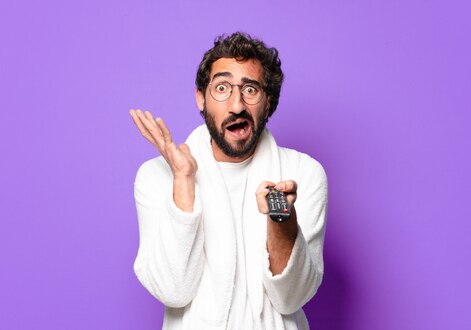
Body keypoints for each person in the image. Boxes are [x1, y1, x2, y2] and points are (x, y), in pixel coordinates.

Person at [129, 32, 328, 330]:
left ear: (268, 103)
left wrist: (281, 220)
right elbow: (172, 289)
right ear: (201, 98)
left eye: (250, 89)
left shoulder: (303, 172)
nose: (236, 105)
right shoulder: (156, 176)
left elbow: (291, 298)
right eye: (222, 88)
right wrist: (183, 181)